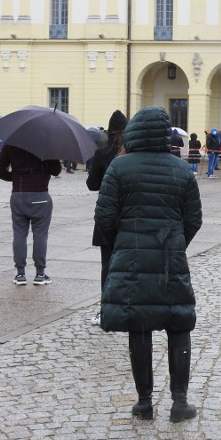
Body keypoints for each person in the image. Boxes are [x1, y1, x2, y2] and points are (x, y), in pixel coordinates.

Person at [94, 106, 203, 423]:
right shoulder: (181, 170)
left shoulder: (119, 167)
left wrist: (123, 243)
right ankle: (179, 402)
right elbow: (194, 219)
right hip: (171, 258)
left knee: (138, 323)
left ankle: (144, 403)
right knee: (178, 323)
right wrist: (176, 242)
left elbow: (104, 218)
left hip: (131, 254)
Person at [0, 144, 61, 284]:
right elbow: (56, 170)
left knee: (19, 234)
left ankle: (20, 273)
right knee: (40, 235)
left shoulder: (11, 144)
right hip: (41, 195)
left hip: (19, 194)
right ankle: (40, 274)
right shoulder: (46, 145)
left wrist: (15, 177)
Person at [86, 110, 129, 314]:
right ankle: (126, 303)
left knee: (107, 264)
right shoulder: (132, 152)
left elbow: (92, 184)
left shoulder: (102, 151)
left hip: (106, 214)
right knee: (129, 263)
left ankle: (107, 307)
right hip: (129, 214)